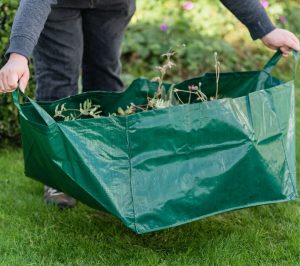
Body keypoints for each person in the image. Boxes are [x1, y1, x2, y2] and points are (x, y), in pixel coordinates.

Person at [0, 0, 299, 208]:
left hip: (112, 6)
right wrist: (19, 55)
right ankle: (60, 178)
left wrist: (264, 27)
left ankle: (106, 167)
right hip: (58, 6)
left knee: (104, 77)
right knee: (59, 78)